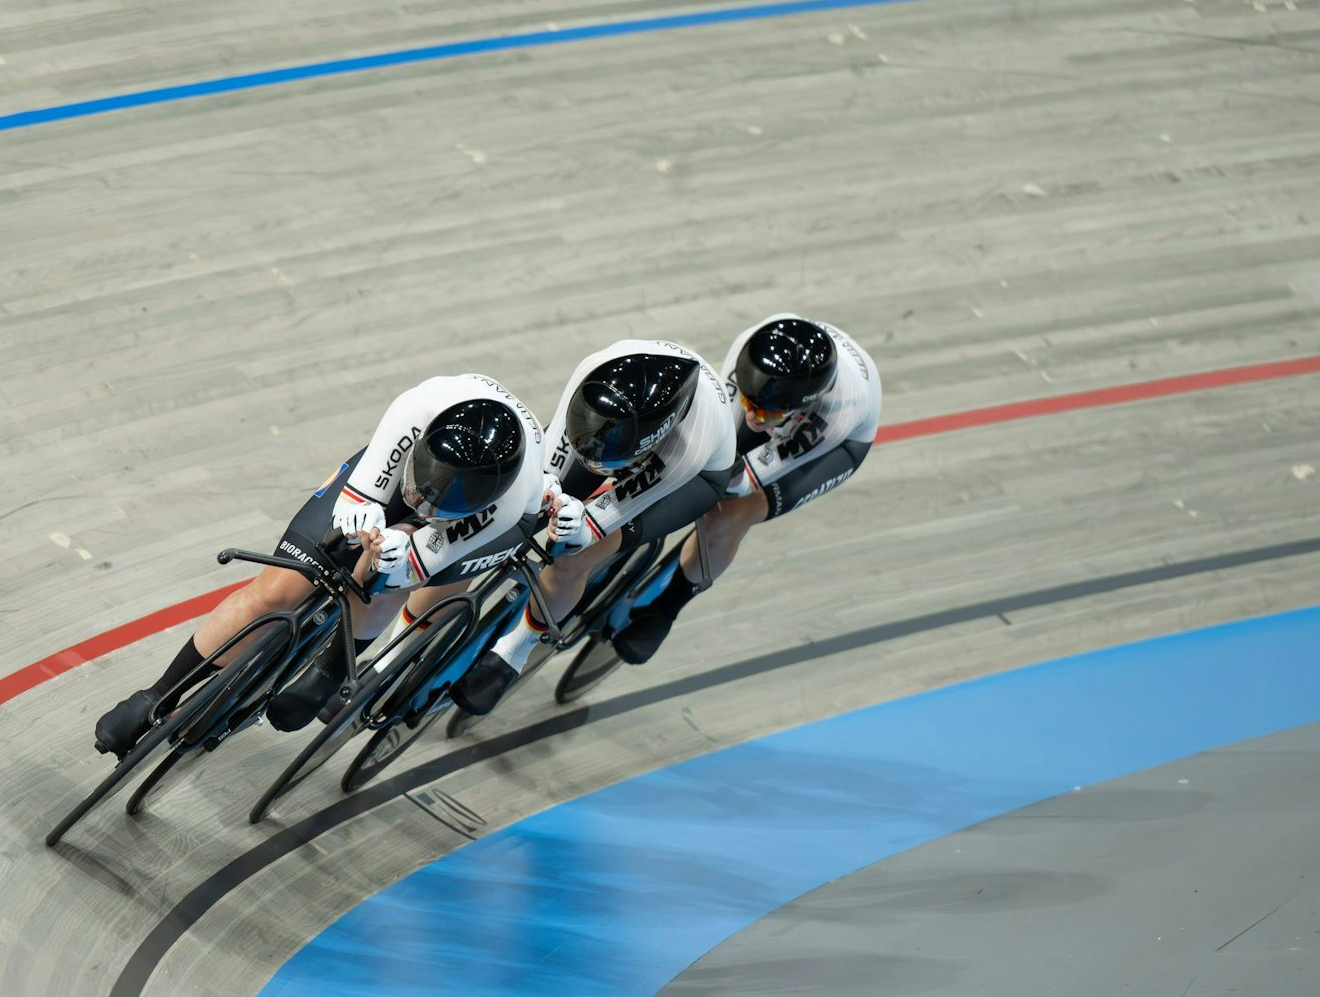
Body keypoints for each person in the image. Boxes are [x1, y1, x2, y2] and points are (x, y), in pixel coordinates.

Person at [93, 375, 546, 758]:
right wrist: (362, 518)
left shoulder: (504, 509)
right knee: (278, 588)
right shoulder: (417, 408)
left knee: (383, 582)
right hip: (413, 465)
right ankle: (156, 695)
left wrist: (392, 550)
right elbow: (362, 495)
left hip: (464, 526)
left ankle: (327, 670)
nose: (423, 504)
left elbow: (415, 565)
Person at [448, 339, 737, 716]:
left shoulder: (692, 445)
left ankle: (514, 650)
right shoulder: (594, 371)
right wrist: (546, 494)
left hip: (688, 478)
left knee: (573, 555)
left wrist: (579, 526)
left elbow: (611, 513)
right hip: (607, 432)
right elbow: (546, 469)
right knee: (525, 503)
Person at [610, 313, 881, 666]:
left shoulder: (837, 414)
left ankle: (666, 609)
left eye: (764, 415)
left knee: (732, 513)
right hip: (779, 394)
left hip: (838, 446)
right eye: (749, 403)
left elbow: (746, 478)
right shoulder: (752, 349)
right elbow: (719, 425)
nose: (754, 417)